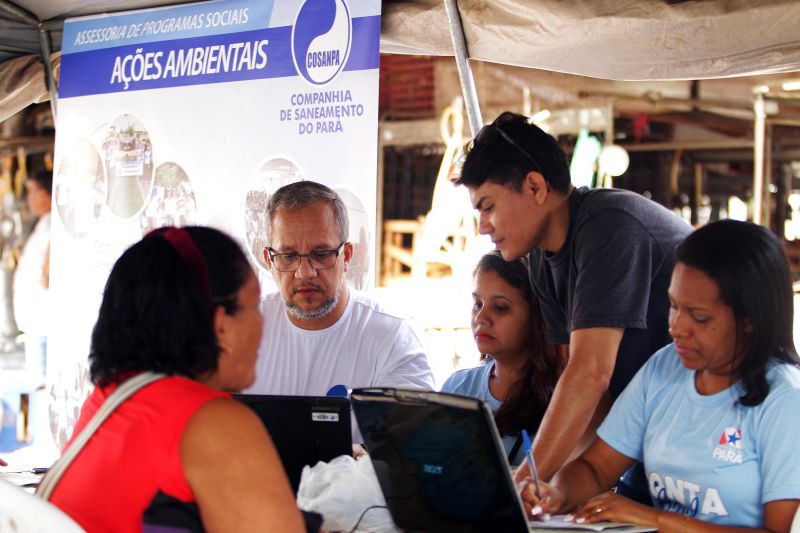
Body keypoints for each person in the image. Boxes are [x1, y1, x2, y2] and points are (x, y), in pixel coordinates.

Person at [456, 112, 692, 492]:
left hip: (713, 438)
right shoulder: (542, 262)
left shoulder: (609, 226)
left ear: (535, 187)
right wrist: (556, 484)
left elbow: (590, 373)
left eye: (488, 206)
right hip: (648, 443)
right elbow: (588, 397)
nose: (483, 225)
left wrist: (525, 482)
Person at [523, 220, 800, 531]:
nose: (676, 328)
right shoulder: (663, 368)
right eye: (673, 306)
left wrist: (653, 518)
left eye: (699, 316)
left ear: (749, 320)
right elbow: (596, 468)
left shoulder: (786, 400)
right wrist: (555, 494)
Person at [50, 227, 305, 533]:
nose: (261, 322)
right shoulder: (215, 423)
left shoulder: (105, 403)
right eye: (253, 306)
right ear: (220, 325)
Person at [245, 181, 434, 404]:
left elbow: (412, 435)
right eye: (289, 256)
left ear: (346, 256)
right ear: (269, 261)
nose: (305, 273)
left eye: (321, 254)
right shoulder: (240, 330)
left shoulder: (393, 338)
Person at [441, 251, 565, 465]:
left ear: (537, 317)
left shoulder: (563, 398)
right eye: (477, 304)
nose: (481, 318)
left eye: (500, 308)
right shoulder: (457, 387)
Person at [13, 169, 52, 381]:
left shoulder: (54, 224)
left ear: (46, 192)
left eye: (32, 191)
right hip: (36, 324)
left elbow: (48, 273)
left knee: (42, 386)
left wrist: (44, 276)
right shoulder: (43, 224)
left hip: (43, 324)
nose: (29, 198)